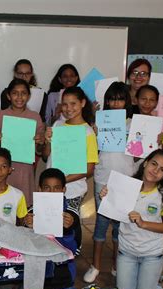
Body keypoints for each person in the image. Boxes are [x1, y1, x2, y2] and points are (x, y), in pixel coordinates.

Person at [100, 149, 163, 289]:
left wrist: (143, 223)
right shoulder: (126, 186)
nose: (155, 170)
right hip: (126, 253)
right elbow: (114, 215)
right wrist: (106, 197)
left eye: (162, 169)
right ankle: (153, 282)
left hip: (152, 255)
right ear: (145, 162)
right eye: (154, 164)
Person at [83, 82, 134, 283]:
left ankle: (116, 265)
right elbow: (91, 150)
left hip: (125, 179)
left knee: (120, 227)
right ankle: (95, 265)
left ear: (127, 101)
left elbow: (138, 154)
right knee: (101, 224)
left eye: (120, 98)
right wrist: (95, 132)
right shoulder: (99, 121)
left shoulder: (132, 123)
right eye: (112, 99)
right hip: (103, 178)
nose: (115, 103)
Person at [43, 86, 98, 254]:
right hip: (52, 187)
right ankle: (53, 251)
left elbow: (89, 169)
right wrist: (47, 140)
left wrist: (63, 181)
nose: (68, 108)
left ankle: (73, 250)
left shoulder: (88, 132)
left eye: (73, 103)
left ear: (82, 103)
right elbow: (46, 156)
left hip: (73, 188)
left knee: (69, 220)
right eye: (65, 104)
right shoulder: (58, 125)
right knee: (51, 220)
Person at [0, 78, 45, 206]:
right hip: (4, 169)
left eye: (23, 93)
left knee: (24, 206)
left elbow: (40, 151)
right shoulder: (0, 116)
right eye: (15, 93)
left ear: (28, 96)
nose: (19, 97)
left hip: (25, 169)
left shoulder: (35, 117)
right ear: (8, 95)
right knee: (4, 205)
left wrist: (39, 142)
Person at [26, 168, 79, 289]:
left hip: (63, 269)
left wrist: (68, 229)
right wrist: (27, 225)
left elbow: (76, 248)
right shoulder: (31, 213)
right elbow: (24, 243)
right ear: (39, 189)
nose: (51, 192)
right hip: (37, 269)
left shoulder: (71, 215)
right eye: (47, 188)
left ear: (63, 190)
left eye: (56, 188)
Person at [0, 148, 30, 226]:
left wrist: (28, 222)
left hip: (8, 237)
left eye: (4, 166)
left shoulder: (17, 195)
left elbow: (23, 223)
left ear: (10, 170)